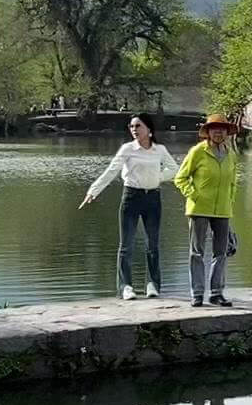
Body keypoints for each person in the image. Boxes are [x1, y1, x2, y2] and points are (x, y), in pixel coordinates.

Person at [82, 113, 181, 301]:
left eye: (138, 126)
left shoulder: (159, 150)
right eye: (132, 127)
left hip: (152, 198)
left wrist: (157, 178)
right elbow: (111, 170)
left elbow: (174, 169)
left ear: (149, 130)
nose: (134, 130)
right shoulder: (127, 149)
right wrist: (94, 190)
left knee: (152, 244)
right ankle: (126, 286)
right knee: (126, 245)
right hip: (131, 197)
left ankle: (153, 284)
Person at [174, 114, 242, 307]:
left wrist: (230, 202)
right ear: (208, 132)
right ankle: (197, 294)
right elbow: (180, 178)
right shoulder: (198, 152)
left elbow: (233, 183)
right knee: (197, 252)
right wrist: (194, 195)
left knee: (221, 252)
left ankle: (216, 293)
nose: (218, 132)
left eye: (222, 129)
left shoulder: (231, 154)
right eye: (214, 129)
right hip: (199, 209)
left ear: (227, 132)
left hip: (222, 210)